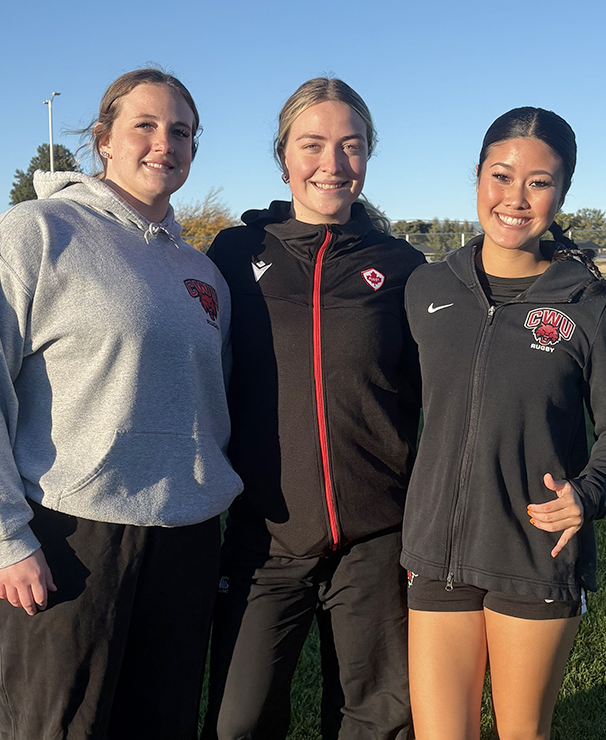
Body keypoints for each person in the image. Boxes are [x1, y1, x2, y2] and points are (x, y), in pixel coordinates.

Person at [0, 68, 242, 740]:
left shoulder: (202, 272)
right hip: (73, 538)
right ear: (103, 140)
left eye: (182, 132)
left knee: (161, 725)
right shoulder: (37, 233)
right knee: (60, 727)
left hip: (185, 541)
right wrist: (4, 537)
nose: (165, 143)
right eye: (146, 125)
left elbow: (213, 403)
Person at [400, 107, 606, 740]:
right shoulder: (428, 288)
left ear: (562, 192)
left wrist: (587, 494)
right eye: (501, 175)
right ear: (478, 178)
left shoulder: (591, 304)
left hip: (534, 552)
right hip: (438, 553)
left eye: (539, 182)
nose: (515, 198)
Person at [201, 78, 426, 740]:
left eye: (351, 146)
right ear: (284, 155)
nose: (333, 163)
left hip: (377, 538)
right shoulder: (236, 255)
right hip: (266, 536)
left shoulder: (402, 265)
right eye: (313, 144)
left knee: (376, 721)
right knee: (238, 721)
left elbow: (442, 390)